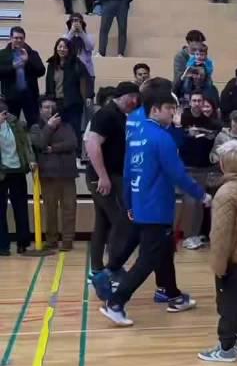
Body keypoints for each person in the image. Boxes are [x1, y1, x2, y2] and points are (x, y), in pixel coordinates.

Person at [100, 88, 210, 326]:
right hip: (156, 207)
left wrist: (129, 203)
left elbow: (129, 173)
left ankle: (173, 295)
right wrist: (201, 195)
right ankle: (116, 302)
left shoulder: (138, 135)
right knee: (148, 259)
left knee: (163, 252)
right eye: (169, 108)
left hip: (140, 204)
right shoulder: (162, 138)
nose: (174, 113)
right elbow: (178, 174)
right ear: (155, 109)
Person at [199, 140, 237, 362]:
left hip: (232, 257)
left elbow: (221, 235)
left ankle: (225, 348)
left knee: (228, 303)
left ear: (224, 163)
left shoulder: (225, 194)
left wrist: (219, 265)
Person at [85, 81, 140, 277]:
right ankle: (113, 269)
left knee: (103, 223)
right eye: (133, 97)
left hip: (112, 175)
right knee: (121, 221)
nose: (135, 101)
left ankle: (97, 269)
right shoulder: (106, 114)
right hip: (103, 176)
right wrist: (103, 177)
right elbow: (92, 144)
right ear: (125, 96)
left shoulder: (119, 115)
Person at [30, 96, 77, 251]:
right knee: (50, 209)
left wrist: (52, 148)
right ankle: (51, 240)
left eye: (52, 107)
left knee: (69, 208)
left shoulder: (67, 126)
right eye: (46, 107)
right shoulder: (36, 127)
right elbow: (40, 144)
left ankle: (68, 240)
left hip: (67, 174)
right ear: (40, 109)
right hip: (48, 174)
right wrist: (49, 127)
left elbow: (72, 143)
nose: (50, 110)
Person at [178, 91, 221, 249]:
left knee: (200, 202)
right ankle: (188, 236)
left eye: (199, 101)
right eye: (194, 100)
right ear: (190, 102)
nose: (196, 103)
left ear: (203, 103)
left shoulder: (210, 122)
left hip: (203, 168)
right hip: (186, 167)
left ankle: (195, 235)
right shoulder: (182, 119)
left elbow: (216, 135)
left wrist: (210, 139)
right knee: (190, 202)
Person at [45, 37, 92, 155]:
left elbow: (86, 80)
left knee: (74, 129)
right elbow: (48, 82)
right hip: (56, 103)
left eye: (65, 47)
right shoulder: (51, 63)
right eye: (59, 47)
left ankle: (76, 153)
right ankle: (58, 151)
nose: (62, 49)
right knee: (56, 128)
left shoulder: (76, 63)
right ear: (56, 48)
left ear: (69, 49)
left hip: (73, 103)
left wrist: (88, 96)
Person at [0, 99, 35, 255]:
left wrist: (31, 160)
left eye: (4, 112)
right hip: (1, 172)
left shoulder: (16, 124)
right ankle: (3, 245)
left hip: (17, 170)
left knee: (20, 208)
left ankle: (23, 243)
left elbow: (25, 144)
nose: (4, 115)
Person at [0, 26, 45, 127]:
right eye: (16, 38)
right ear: (10, 38)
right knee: (11, 126)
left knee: (34, 125)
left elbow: (41, 71)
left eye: (21, 38)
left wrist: (27, 61)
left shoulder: (32, 53)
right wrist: (13, 67)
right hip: (11, 97)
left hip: (30, 97)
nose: (19, 40)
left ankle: (34, 143)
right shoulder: (2, 54)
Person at [65, 14, 95, 89]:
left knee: (87, 97)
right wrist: (71, 32)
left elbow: (90, 47)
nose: (75, 23)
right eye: (73, 21)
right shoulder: (66, 36)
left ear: (82, 23)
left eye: (78, 21)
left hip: (87, 72)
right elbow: (63, 45)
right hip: (70, 72)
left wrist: (81, 32)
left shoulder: (88, 36)